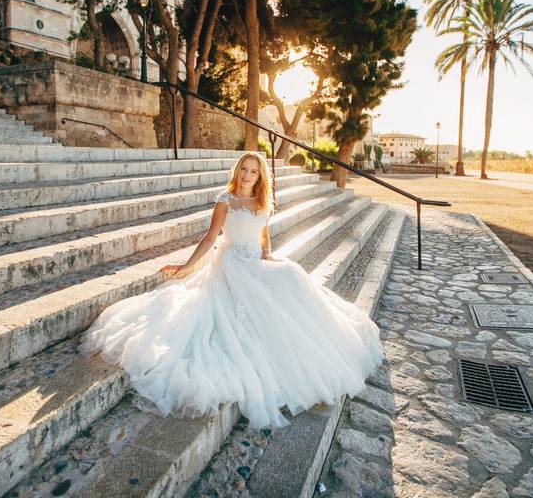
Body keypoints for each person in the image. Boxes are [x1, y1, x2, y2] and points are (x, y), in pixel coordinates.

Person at [77, 151, 383, 429]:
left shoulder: (263, 201)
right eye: (244, 169)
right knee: (260, 295)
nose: (247, 175)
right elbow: (211, 238)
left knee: (290, 273)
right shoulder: (225, 201)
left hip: (254, 260)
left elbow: (264, 234)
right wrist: (187, 266)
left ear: (261, 176)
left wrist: (267, 255)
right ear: (237, 172)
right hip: (232, 263)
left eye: (253, 171)